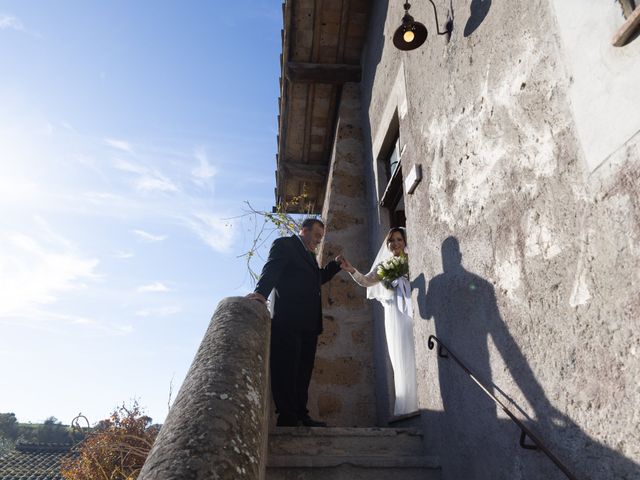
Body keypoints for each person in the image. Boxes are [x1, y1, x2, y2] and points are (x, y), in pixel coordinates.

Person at [246, 218, 342, 427]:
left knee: (303, 371)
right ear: (303, 230)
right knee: (286, 369)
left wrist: (335, 266)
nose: (318, 241)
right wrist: (261, 292)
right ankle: (287, 416)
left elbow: (316, 278)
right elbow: (272, 268)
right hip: (288, 320)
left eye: (321, 238)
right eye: (317, 236)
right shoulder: (285, 245)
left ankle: (301, 414)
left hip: (309, 323)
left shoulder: (309, 256)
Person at [339, 227, 418, 417]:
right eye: (391, 240)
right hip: (394, 314)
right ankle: (408, 404)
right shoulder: (384, 265)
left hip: (412, 309)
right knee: (400, 355)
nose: (395, 243)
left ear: (405, 242)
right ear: (387, 244)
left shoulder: (414, 259)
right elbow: (366, 281)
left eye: (399, 239)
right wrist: (351, 270)